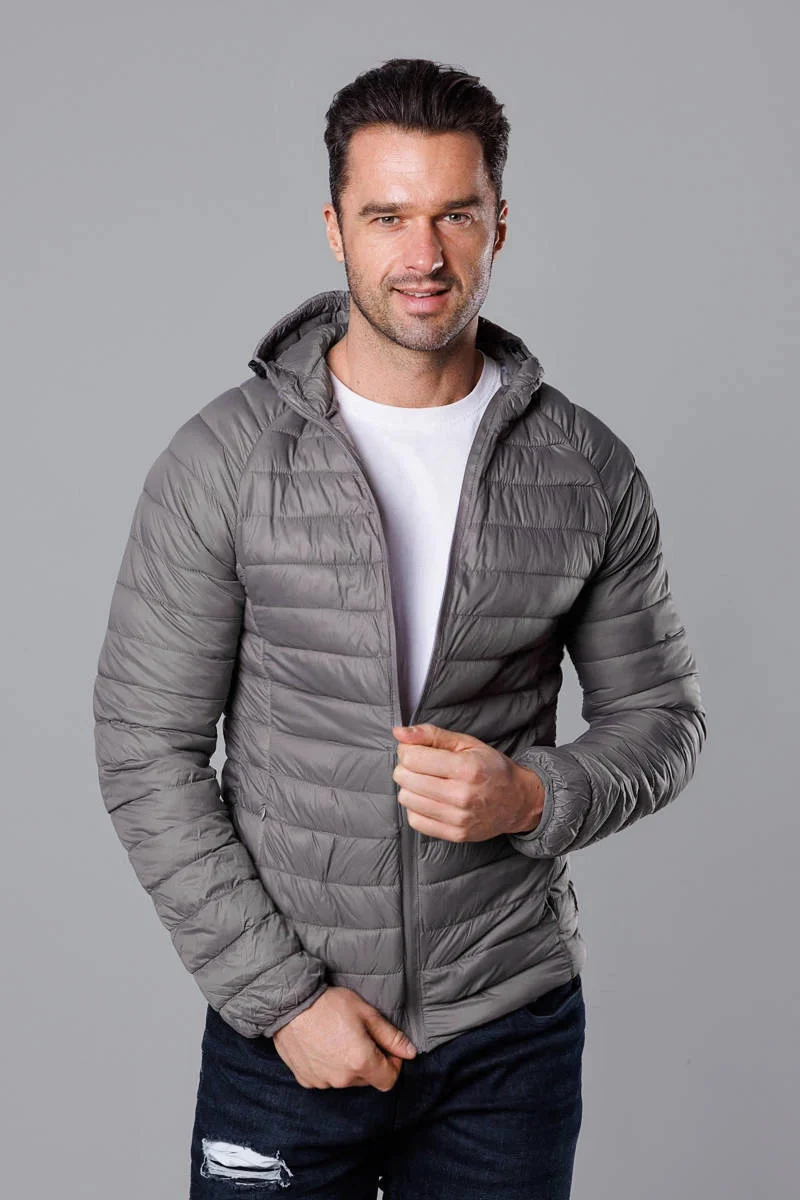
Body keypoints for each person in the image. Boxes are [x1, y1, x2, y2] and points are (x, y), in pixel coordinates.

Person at [92, 57, 707, 1199]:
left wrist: (533, 798)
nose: (422, 254)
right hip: (286, 1038)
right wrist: (284, 1001)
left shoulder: (586, 469)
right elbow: (145, 751)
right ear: (335, 228)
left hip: (507, 1033)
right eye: (386, 216)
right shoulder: (222, 461)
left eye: (453, 215)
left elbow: (663, 720)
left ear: (499, 224)